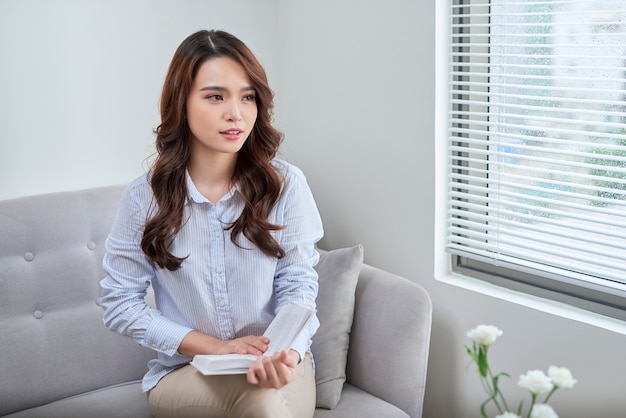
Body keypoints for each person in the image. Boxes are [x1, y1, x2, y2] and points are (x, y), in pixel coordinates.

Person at [99, 29, 323, 418]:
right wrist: (215, 347)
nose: (235, 113)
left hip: (282, 365)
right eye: (215, 96)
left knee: (263, 396)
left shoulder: (287, 185)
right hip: (186, 373)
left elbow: (299, 285)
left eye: (247, 96)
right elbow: (120, 304)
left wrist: (282, 352)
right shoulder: (144, 199)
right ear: (181, 103)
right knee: (257, 403)